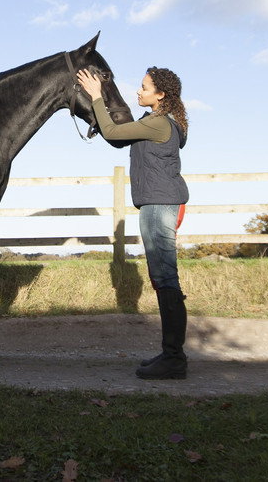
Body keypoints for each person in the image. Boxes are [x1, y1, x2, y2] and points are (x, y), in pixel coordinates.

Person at [77, 66, 190, 380]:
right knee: (162, 277)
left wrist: (96, 95)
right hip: (160, 202)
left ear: (160, 94)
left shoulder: (158, 123)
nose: (138, 91)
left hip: (159, 204)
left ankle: (174, 359)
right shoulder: (160, 122)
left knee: (165, 278)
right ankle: (171, 353)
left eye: (144, 87)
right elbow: (117, 137)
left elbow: (113, 132)